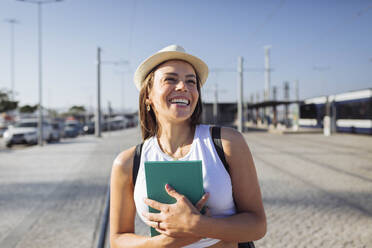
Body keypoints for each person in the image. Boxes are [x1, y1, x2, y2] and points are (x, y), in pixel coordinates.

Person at [110, 45, 266, 248]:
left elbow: (257, 225)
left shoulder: (228, 143)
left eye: (191, 81)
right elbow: (117, 240)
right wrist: (168, 241)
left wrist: (198, 226)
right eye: (170, 79)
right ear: (148, 94)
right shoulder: (127, 162)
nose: (183, 86)